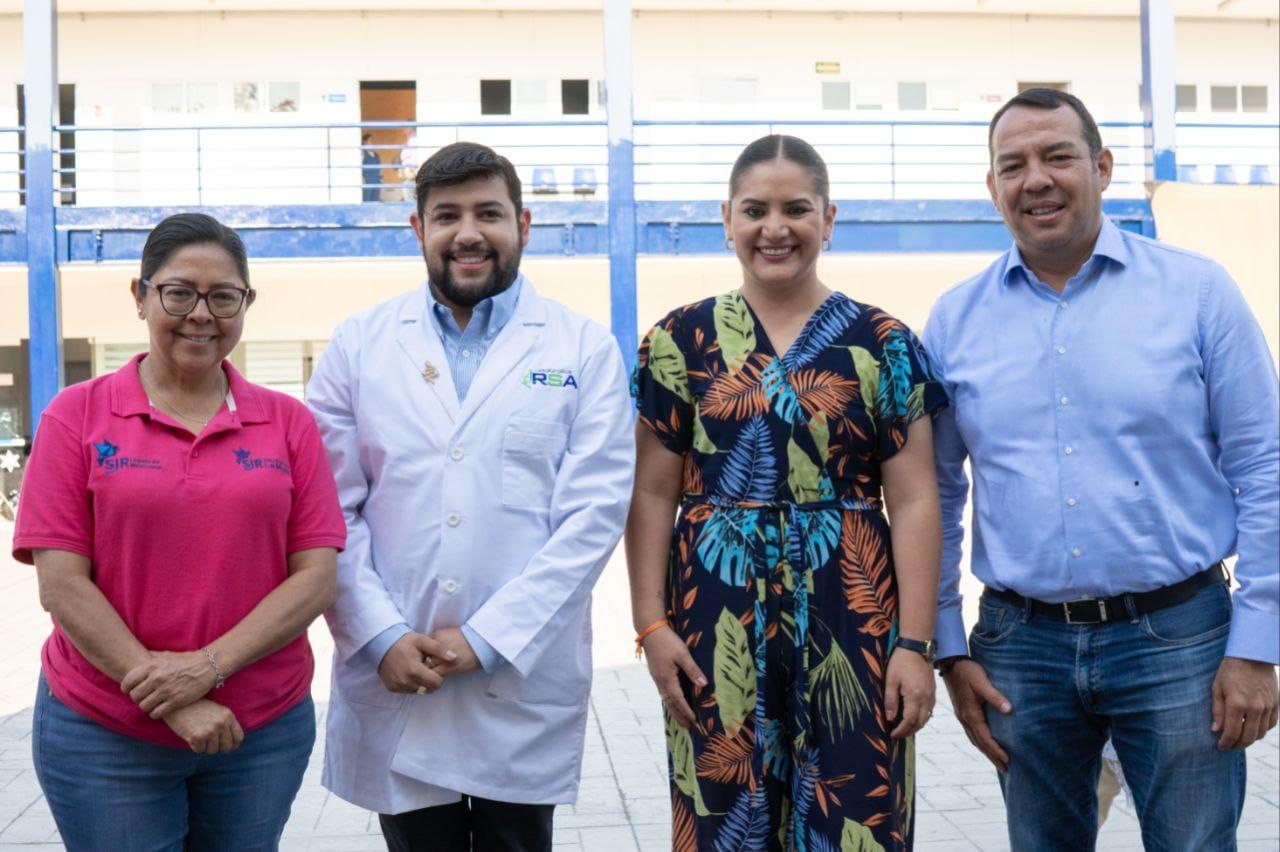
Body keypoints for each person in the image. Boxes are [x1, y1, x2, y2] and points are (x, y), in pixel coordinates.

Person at [925, 88, 1280, 850]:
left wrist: (1257, 644)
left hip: (1180, 640)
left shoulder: (1198, 292)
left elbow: (1264, 466)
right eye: (1013, 165)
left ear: (1103, 167)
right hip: (1021, 648)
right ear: (992, 186)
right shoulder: (955, 320)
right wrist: (948, 647)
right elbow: (938, 493)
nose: (1036, 179)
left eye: (1057, 156)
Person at [308, 141, 634, 852]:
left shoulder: (582, 349)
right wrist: (379, 635)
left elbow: (593, 517)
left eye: (489, 213)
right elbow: (327, 512)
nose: (468, 233)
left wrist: (490, 638)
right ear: (417, 228)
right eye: (447, 215)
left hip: (517, 677)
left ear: (523, 224)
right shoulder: (358, 345)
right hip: (399, 673)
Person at [627, 135, 946, 850]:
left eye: (796, 209)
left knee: (855, 821)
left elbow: (917, 500)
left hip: (855, 622)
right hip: (715, 618)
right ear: (727, 219)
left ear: (828, 219)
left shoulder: (884, 342)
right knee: (726, 821)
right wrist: (651, 626)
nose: (775, 228)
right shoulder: (678, 340)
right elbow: (650, 495)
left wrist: (915, 646)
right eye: (755, 210)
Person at [12, 212, 345, 851]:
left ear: (246, 305)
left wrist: (206, 669)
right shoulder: (76, 416)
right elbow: (62, 585)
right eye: (178, 293)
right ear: (140, 297)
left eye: (223, 297)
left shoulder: (288, 423)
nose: (200, 314)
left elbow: (316, 578)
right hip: (104, 732)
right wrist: (175, 698)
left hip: (259, 730)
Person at [362, 132, 383, 203]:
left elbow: (380, 168)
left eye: (372, 141)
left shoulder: (376, 155)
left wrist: (381, 179)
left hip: (376, 182)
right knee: (367, 202)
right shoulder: (362, 154)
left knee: (375, 202)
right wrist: (362, 180)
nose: (372, 143)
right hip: (367, 182)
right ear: (365, 142)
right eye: (370, 141)